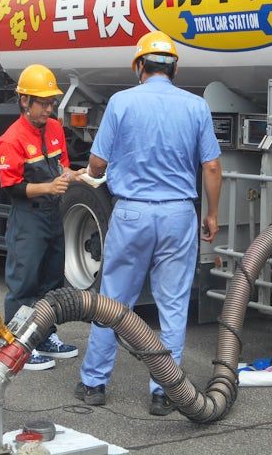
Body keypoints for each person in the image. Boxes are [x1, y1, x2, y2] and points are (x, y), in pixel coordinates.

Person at [74, 31, 222, 414]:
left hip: (132, 212)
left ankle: (94, 384)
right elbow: (211, 166)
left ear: (139, 66)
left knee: (112, 302)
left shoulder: (122, 102)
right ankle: (165, 390)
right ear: (174, 67)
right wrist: (211, 215)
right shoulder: (195, 106)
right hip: (178, 214)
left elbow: (97, 165)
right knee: (172, 306)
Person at [0, 64, 84, 370]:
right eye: (43, 103)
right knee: (24, 283)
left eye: (51, 102)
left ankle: (45, 336)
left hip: (52, 215)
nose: (49, 108)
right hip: (28, 218)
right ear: (24, 102)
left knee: (52, 280)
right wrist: (48, 186)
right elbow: (12, 188)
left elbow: (61, 168)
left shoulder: (55, 128)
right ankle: (18, 344)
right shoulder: (11, 139)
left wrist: (78, 175)